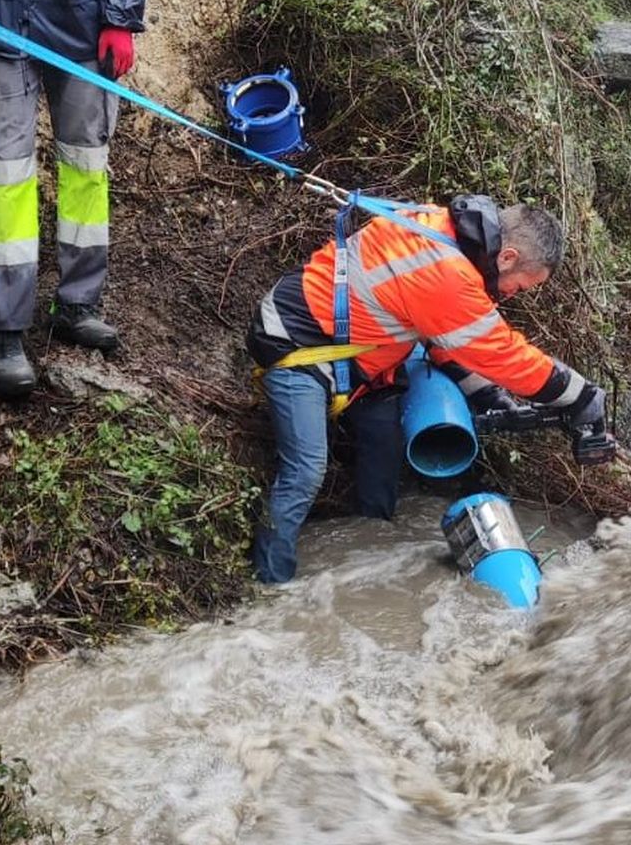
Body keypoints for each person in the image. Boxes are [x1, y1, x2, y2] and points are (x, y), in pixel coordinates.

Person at [245, 195, 607, 583]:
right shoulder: (450, 273)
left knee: (385, 440)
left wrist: (487, 395)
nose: (513, 295)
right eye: (520, 286)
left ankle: (366, 549)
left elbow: (440, 334)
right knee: (306, 469)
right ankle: (271, 580)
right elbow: (505, 356)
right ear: (508, 257)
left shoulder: (439, 227)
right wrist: (582, 396)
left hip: (353, 351)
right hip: (296, 343)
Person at [0, 0, 151, 397]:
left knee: (86, 168)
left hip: (82, 19)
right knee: (5, 178)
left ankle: (78, 302)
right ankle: (3, 329)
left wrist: (119, 18)